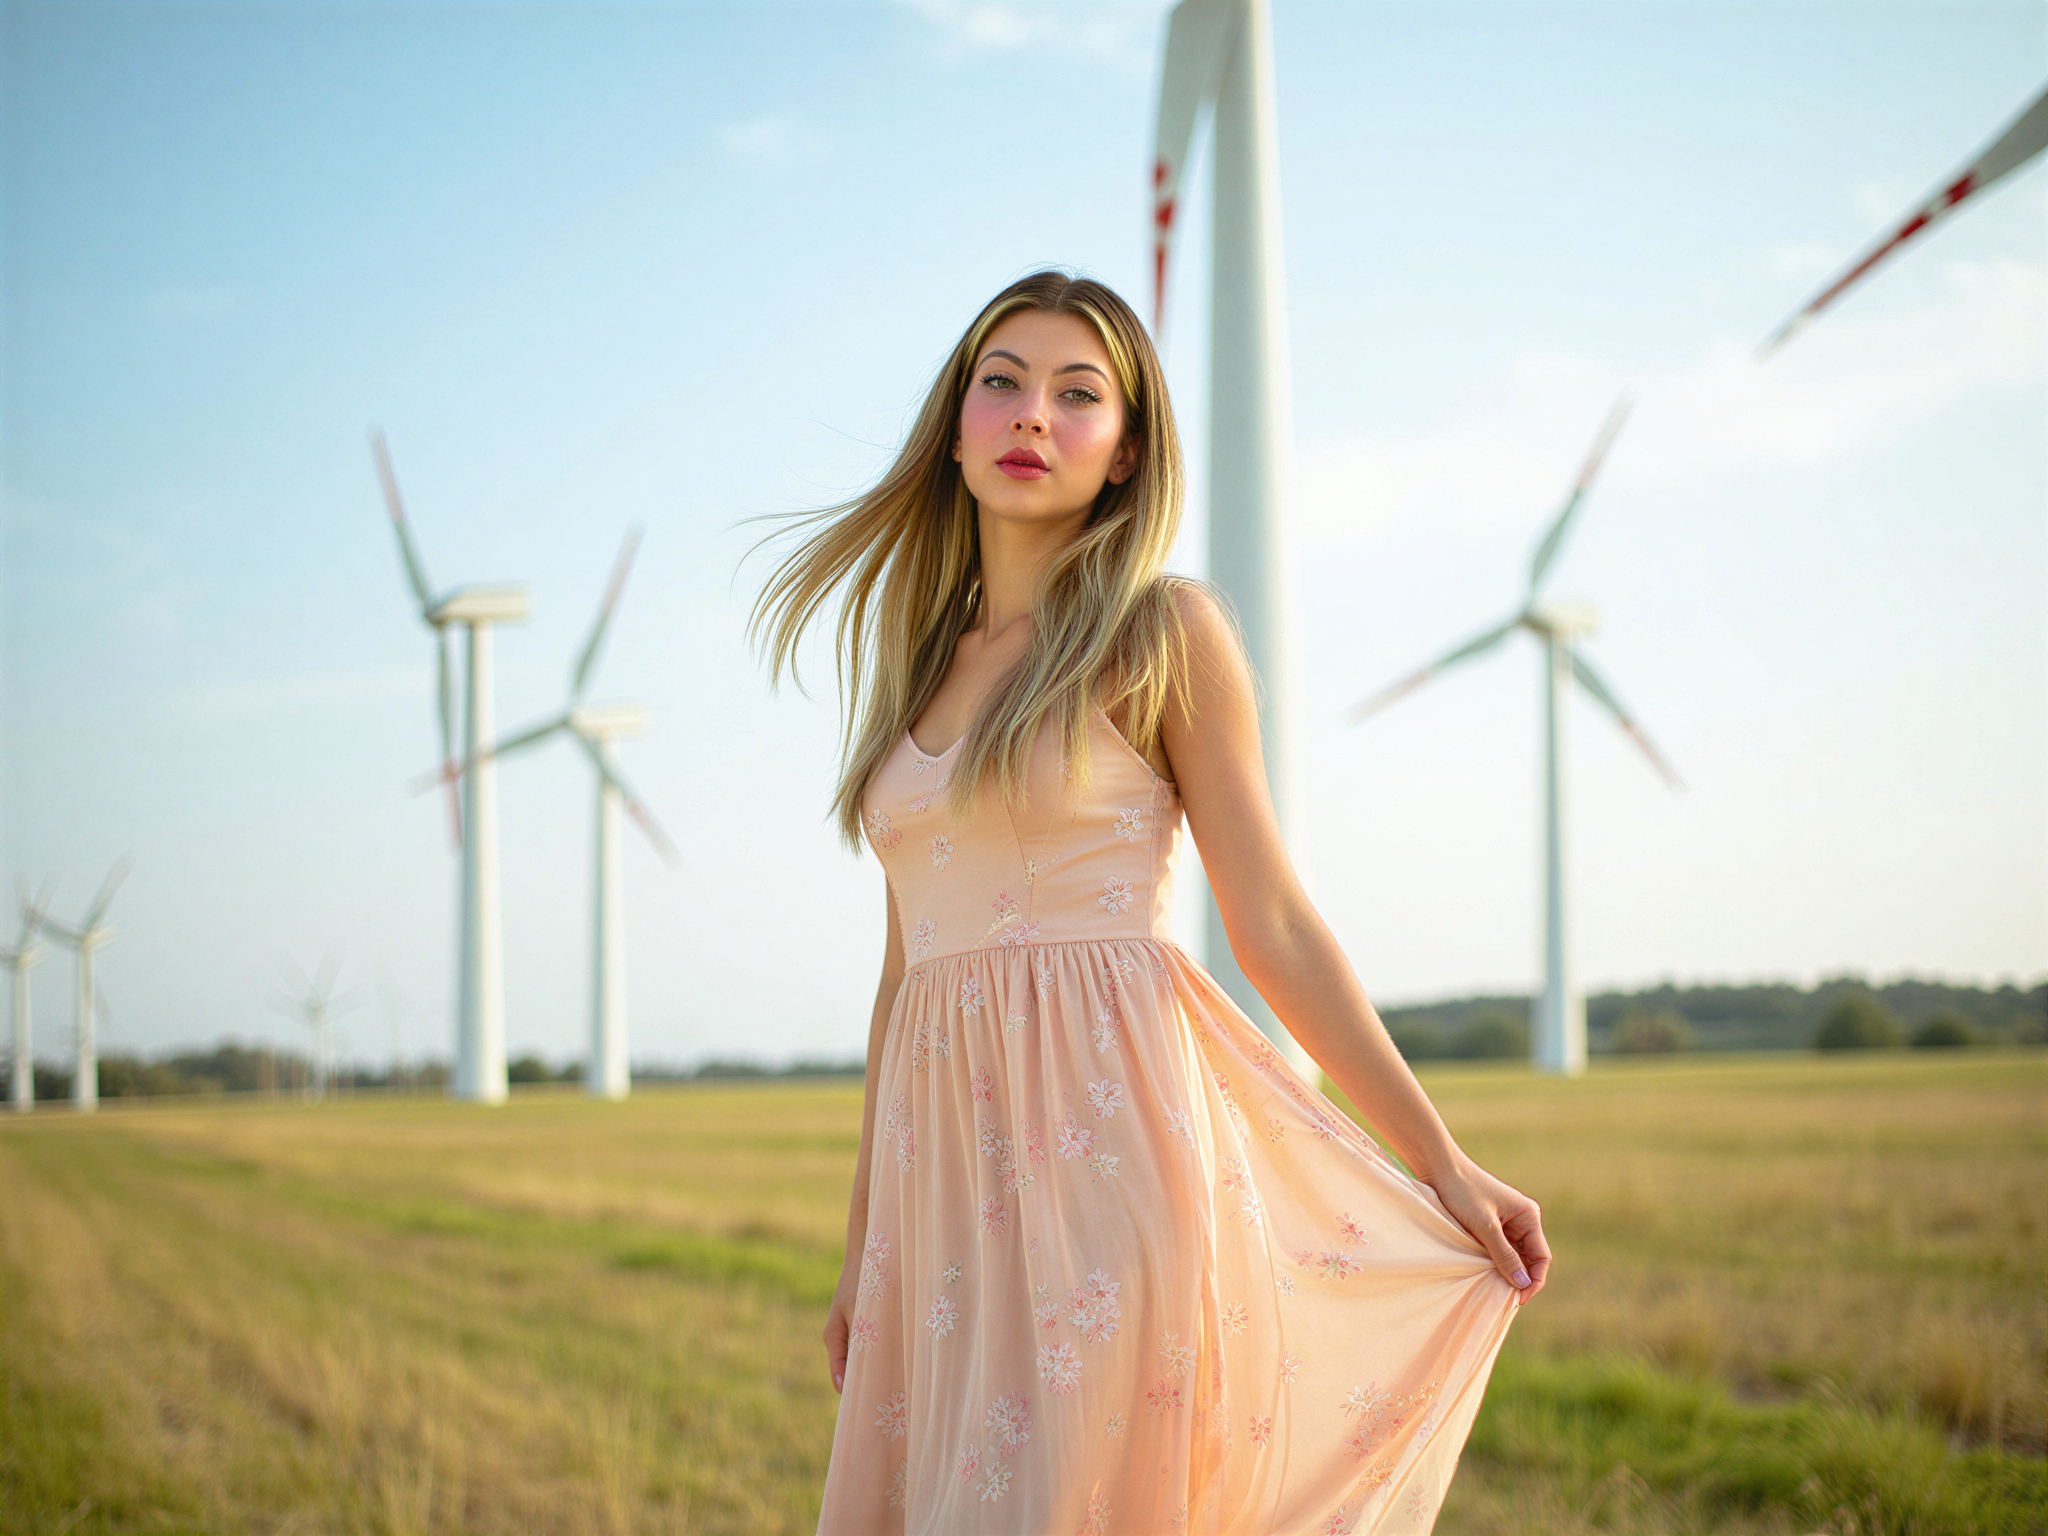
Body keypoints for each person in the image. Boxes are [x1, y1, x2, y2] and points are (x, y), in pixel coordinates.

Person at [751, 270, 1550, 1536]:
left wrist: (1441, 1164)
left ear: (1124, 455)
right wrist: (867, 1248)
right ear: (955, 426)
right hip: (945, 1187)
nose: (1030, 416)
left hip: (1112, 1156)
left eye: (1078, 395)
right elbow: (902, 985)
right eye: (1000, 382)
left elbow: (1271, 922)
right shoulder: (917, 673)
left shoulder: (1157, 632)